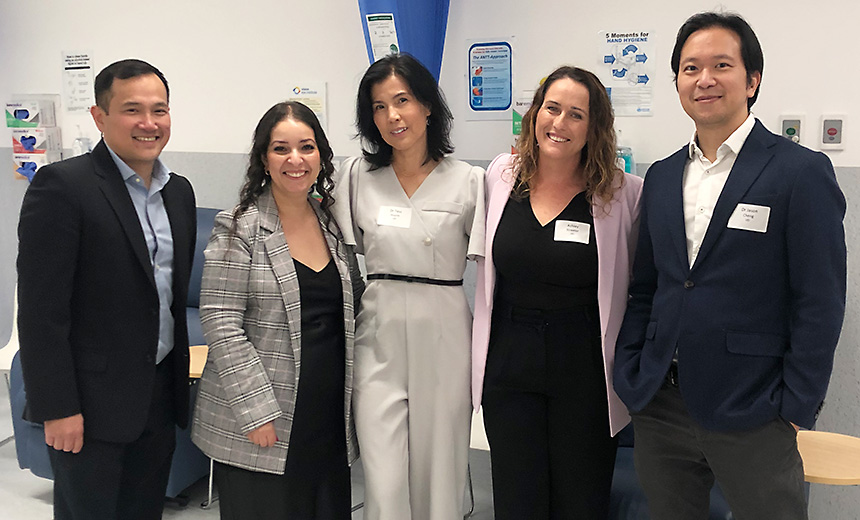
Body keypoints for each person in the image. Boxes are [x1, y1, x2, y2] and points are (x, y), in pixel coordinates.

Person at [613, 11, 846, 520]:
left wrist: (795, 407)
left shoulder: (799, 172)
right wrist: (630, 369)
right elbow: (647, 286)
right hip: (660, 404)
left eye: (721, 64)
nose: (705, 79)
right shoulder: (662, 176)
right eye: (690, 68)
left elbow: (820, 300)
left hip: (754, 408)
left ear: (753, 79)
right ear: (677, 81)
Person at [17, 59, 196, 520]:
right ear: (99, 117)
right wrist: (57, 409)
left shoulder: (179, 192)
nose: (148, 123)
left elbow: (168, 299)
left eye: (160, 110)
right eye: (132, 110)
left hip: (157, 397)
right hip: (89, 406)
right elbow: (41, 313)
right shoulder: (64, 186)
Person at [471, 66, 643, 519]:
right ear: (534, 114)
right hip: (509, 363)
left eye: (576, 115)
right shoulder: (501, 176)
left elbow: (639, 284)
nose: (559, 124)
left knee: (581, 499)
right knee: (517, 498)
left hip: (583, 365)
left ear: (594, 128)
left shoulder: (622, 193)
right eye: (551, 108)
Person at [191, 101, 363, 520]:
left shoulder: (330, 223)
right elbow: (221, 323)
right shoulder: (238, 227)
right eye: (281, 149)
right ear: (263, 160)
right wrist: (255, 412)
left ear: (321, 155)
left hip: (325, 414)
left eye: (306, 147)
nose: (295, 159)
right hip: (265, 416)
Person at [332, 53, 485, 520]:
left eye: (402, 101)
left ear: (428, 106)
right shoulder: (357, 176)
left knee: (441, 472)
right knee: (383, 476)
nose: (392, 116)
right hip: (377, 331)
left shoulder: (470, 181)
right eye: (379, 107)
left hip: (443, 329)